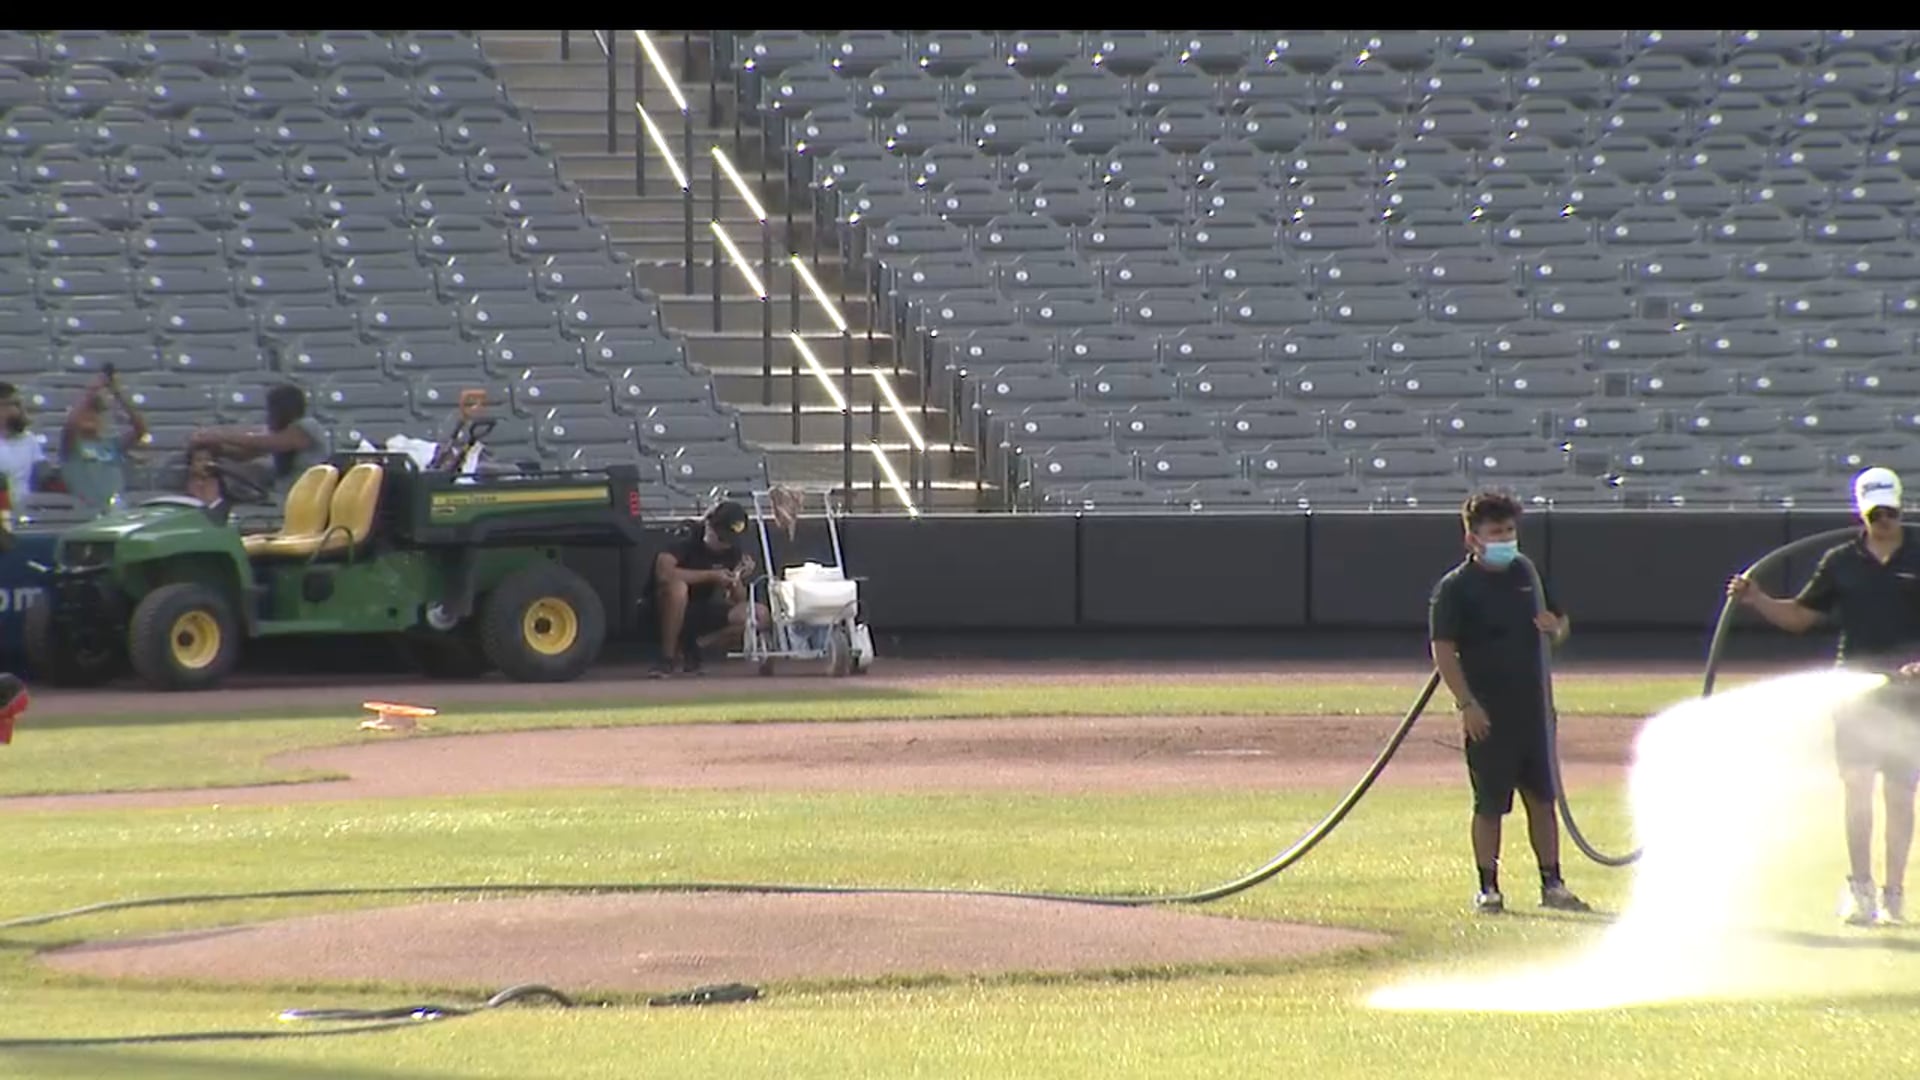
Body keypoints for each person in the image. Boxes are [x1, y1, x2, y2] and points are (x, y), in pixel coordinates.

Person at [1728, 466, 1920, 926]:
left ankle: (1894, 894)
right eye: (1875, 514)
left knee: (1900, 793)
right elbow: (1800, 616)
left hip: (1910, 693)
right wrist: (1757, 599)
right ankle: (1861, 889)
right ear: (1861, 513)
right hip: (1856, 691)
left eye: (1890, 513)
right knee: (1857, 786)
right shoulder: (1840, 561)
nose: (1884, 522)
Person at [1429, 490, 1592, 916]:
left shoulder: (1527, 574)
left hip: (1534, 711)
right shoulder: (1455, 588)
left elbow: (1561, 624)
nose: (1505, 539)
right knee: (1490, 805)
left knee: (1543, 800)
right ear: (1473, 539)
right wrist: (1467, 704)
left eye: (1509, 531)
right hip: (1488, 713)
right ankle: (1488, 887)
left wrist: (1555, 629)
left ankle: (1552, 883)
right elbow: (1443, 650)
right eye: (1496, 532)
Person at [647, 500, 768, 678]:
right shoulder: (686, 537)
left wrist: (736, 577)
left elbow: (739, 600)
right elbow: (664, 574)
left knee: (758, 614)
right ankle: (667, 657)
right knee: (678, 589)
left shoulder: (732, 551)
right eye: (722, 538)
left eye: (730, 540)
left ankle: (697, 648)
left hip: (700, 610)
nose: (725, 545)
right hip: (661, 609)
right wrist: (712, 575)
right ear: (709, 526)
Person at [188, 384, 328, 502]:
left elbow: (270, 443)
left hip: (307, 496)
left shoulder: (307, 426)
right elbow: (246, 453)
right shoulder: (277, 431)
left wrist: (218, 436)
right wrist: (216, 449)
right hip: (281, 493)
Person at [59, 370, 148, 517]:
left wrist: (118, 394)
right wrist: (92, 391)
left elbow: (140, 429)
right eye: (87, 412)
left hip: (115, 512)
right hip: (84, 513)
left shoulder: (112, 444)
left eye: (95, 413)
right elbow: (71, 424)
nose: (90, 416)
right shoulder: (72, 446)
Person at [0, 384, 46, 506]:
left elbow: (40, 476)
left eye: (19, 404)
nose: (19, 410)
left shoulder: (29, 440)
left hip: (27, 508)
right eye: (13, 404)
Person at [183, 444, 231, 526]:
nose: (205, 464)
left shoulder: (226, 488)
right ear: (191, 465)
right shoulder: (181, 492)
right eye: (199, 460)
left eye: (208, 460)